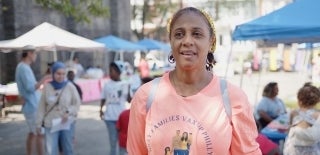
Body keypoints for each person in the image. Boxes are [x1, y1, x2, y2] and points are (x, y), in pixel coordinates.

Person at [127, 7, 261, 155]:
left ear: (211, 42)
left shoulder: (233, 98)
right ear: (170, 41)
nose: (187, 41)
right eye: (179, 34)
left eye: (197, 34)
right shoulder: (146, 96)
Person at [36, 62, 81, 155]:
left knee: (68, 149)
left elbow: (77, 103)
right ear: (53, 73)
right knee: (51, 150)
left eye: (63, 74)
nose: (61, 76)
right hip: (51, 123)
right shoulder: (47, 87)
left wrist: (68, 112)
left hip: (66, 122)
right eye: (58, 74)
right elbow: (41, 106)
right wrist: (38, 124)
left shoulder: (70, 86)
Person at [15, 45, 51, 155]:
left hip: (31, 104)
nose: (35, 56)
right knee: (39, 133)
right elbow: (30, 88)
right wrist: (45, 78)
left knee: (33, 133)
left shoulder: (23, 67)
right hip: (32, 106)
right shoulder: (23, 67)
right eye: (35, 53)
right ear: (30, 53)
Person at [100, 61, 129, 155]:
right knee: (113, 142)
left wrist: (129, 89)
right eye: (110, 70)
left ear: (118, 72)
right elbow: (103, 98)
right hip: (110, 118)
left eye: (112, 71)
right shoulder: (106, 84)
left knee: (122, 142)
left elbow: (129, 100)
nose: (110, 73)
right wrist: (101, 110)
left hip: (122, 119)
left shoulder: (125, 84)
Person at [283, 85, 320, 155]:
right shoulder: (317, 115)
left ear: (299, 100)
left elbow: (289, 129)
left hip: (294, 149)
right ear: (316, 101)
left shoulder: (294, 113)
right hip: (311, 150)